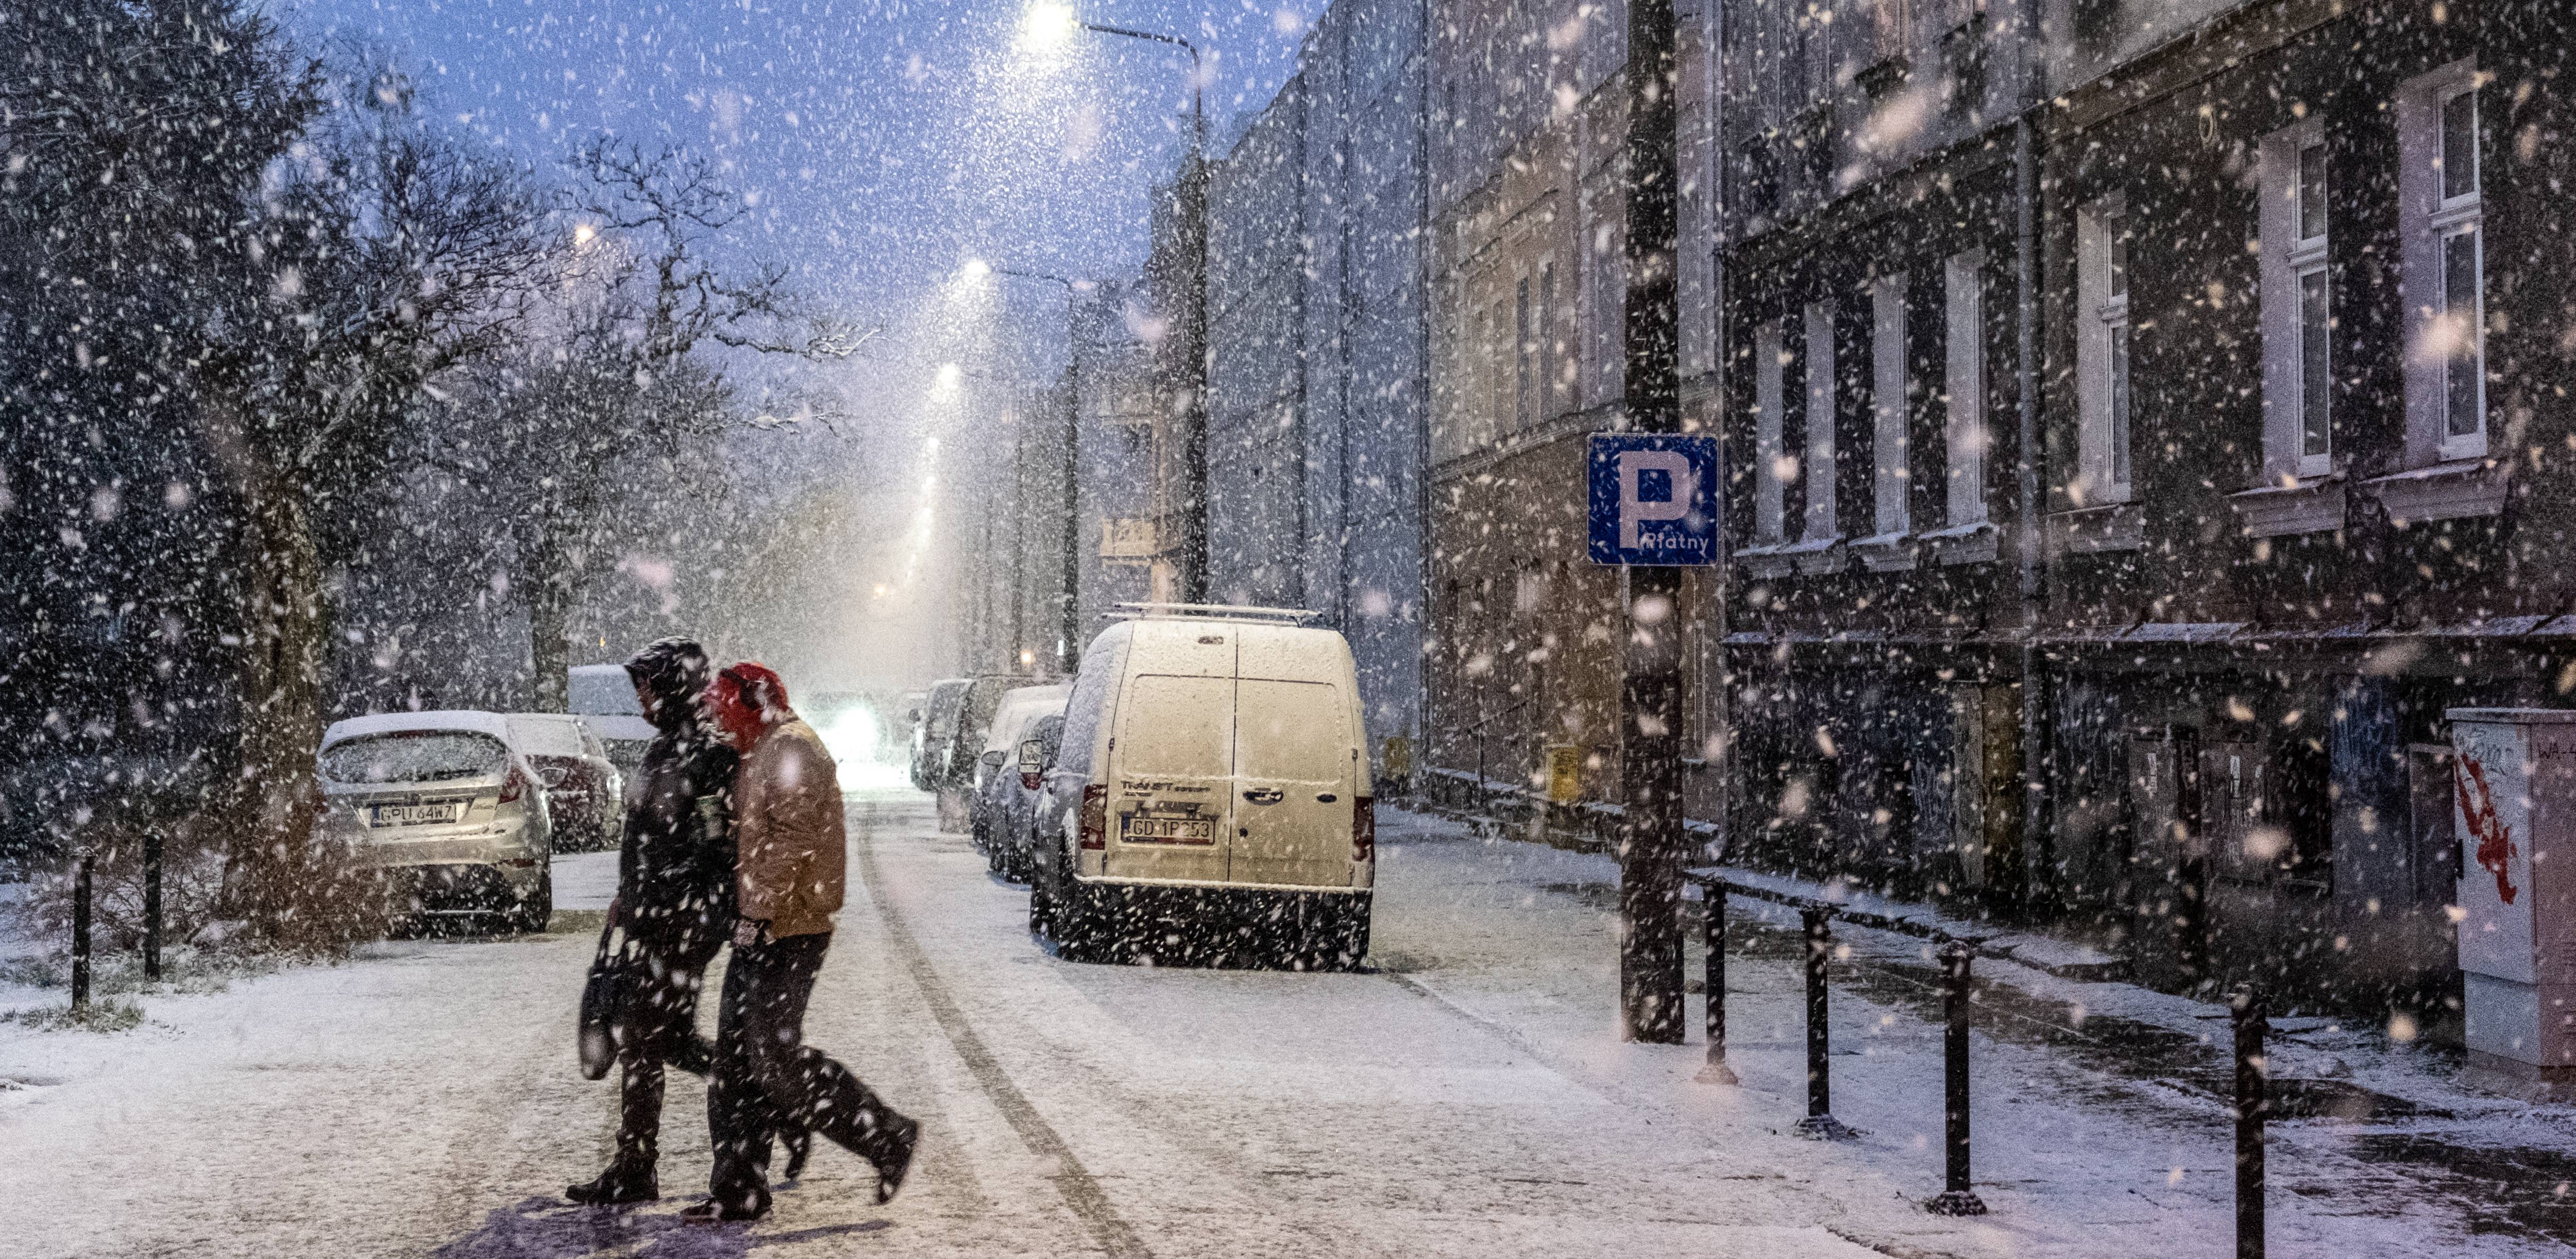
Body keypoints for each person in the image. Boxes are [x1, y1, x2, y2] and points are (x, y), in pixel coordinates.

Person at [566, 638, 804, 1203]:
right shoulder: (668, 745)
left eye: (647, 685)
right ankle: (776, 1102)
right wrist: (629, 893)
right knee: (666, 1039)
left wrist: (677, 904)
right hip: (656, 915)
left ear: (673, 685)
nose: (640, 697)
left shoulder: (703, 749)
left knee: (643, 1038)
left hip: (683, 922)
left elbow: (717, 847)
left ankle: (636, 1164)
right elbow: (649, 833)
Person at [687, 662, 919, 1223]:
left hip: (790, 928)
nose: (719, 719)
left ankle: (887, 1136)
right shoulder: (766, 745)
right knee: (737, 1062)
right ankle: (738, 1186)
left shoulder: (792, 748)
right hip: (766, 923)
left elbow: (794, 839)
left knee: (773, 1060)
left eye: (725, 708)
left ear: (752, 702)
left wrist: (757, 910)